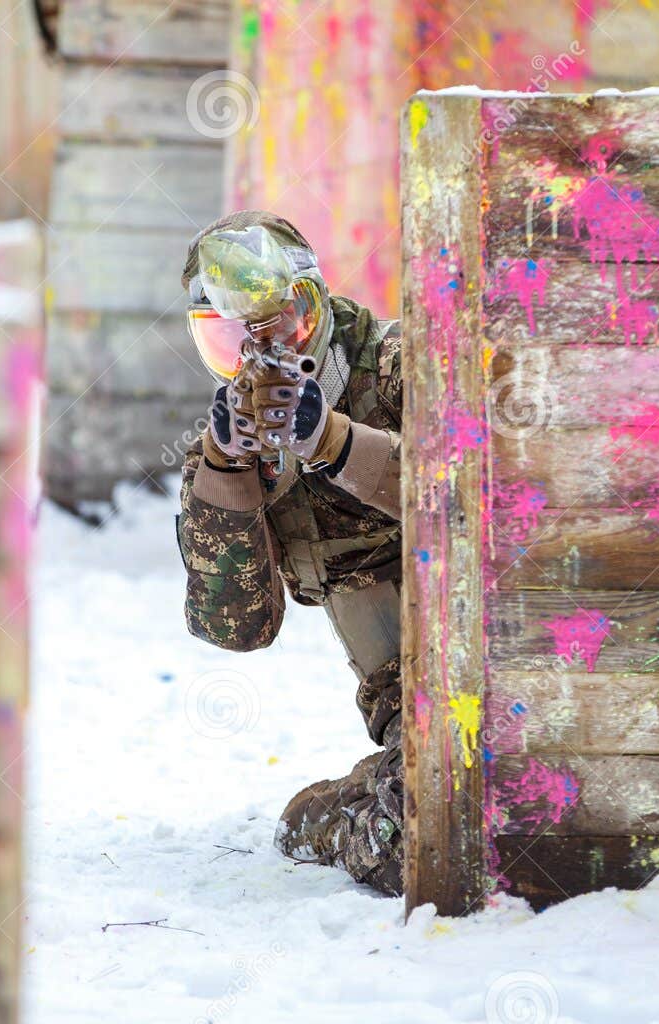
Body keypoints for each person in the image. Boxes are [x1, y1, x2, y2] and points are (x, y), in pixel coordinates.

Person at [177, 211, 405, 896]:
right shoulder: (230, 452)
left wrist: (330, 440)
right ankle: (346, 811)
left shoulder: (401, 370)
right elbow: (236, 625)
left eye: (284, 324)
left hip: (497, 665)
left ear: (320, 307)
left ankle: (371, 793)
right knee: (414, 842)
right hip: (410, 707)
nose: (260, 355)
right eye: (228, 339)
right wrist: (225, 471)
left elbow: (479, 504)